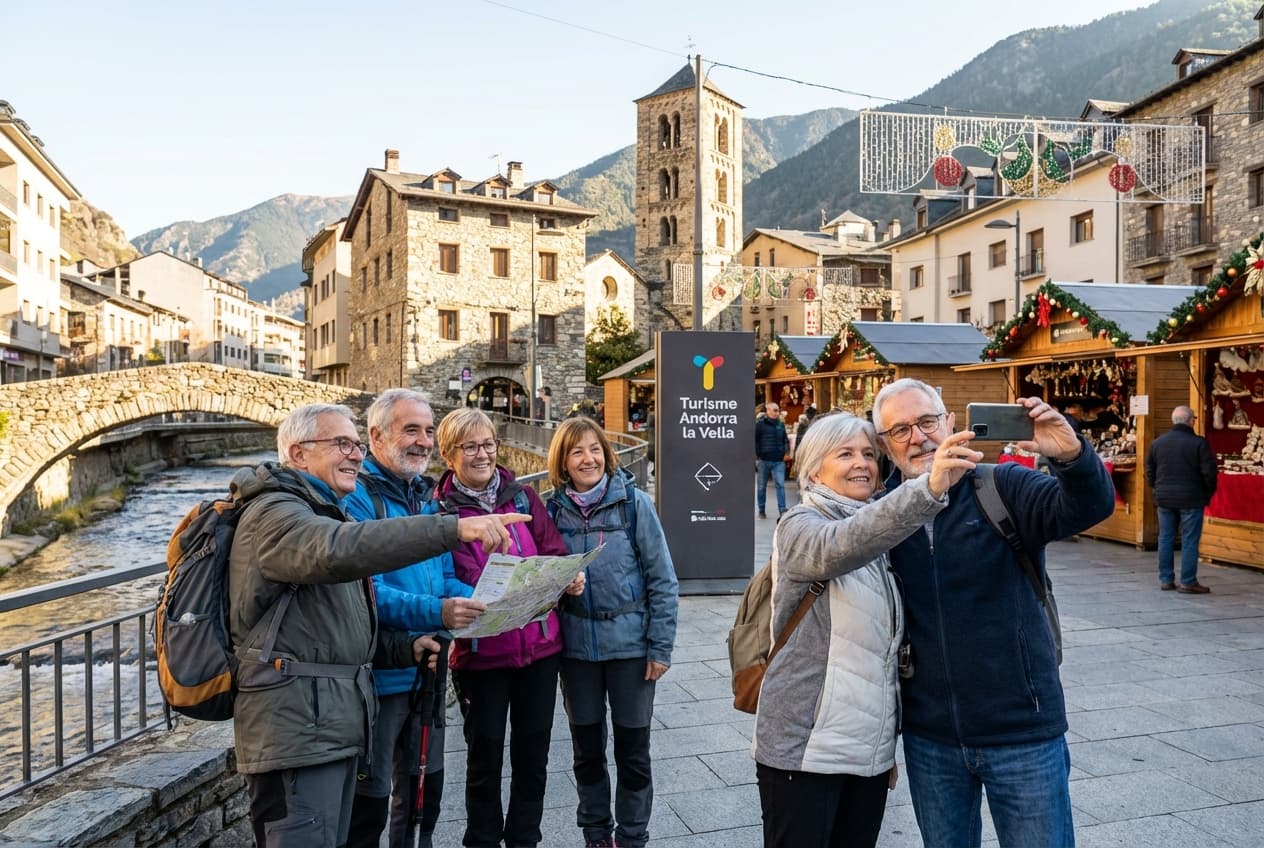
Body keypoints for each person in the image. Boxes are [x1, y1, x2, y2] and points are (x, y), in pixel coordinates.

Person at [227, 402, 530, 848]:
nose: (354, 454)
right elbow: (339, 551)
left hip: (332, 712)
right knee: (348, 825)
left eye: (354, 444)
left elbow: (353, 609)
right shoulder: (278, 513)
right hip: (298, 724)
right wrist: (451, 532)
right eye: (342, 444)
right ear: (298, 454)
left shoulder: (331, 507)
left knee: (392, 814)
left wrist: (405, 647)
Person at [872, 379, 1115, 848]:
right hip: (931, 738)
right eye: (900, 430)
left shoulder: (1003, 485)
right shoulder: (882, 517)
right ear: (885, 444)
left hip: (1022, 731)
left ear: (949, 423)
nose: (918, 438)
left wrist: (1072, 457)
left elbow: (1089, 506)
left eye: (926, 421)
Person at [755, 412, 975, 848]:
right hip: (805, 748)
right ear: (814, 466)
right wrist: (927, 488)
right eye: (846, 454)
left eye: (869, 454)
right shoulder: (800, 525)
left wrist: (881, 746)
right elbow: (844, 543)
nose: (863, 464)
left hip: (865, 753)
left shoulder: (878, 526)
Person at [435, 407, 585, 848]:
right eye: (470, 447)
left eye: (488, 444)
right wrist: (480, 594)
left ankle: (525, 839)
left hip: (538, 649)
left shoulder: (523, 498)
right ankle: (481, 839)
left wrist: (564, 578)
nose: (482, 454)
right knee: (483, 756)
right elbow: (440, 577)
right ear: (448, 454)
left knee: (533, 754)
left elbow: (552, 550)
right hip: (482, 656)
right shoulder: (440, 513)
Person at [344, 390, 488, 848]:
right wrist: (438, 612)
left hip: (428, 670)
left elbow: (444, 577)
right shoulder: (360, 499)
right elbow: (363, 593)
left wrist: (497, 602)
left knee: (424, 796)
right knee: (371, 802)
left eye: (428, 430)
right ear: (376, 436)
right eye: (412, 430)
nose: (423, 441)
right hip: (378, 678)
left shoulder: (424, 498)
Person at [545, 418, 679, 848]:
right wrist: (560, 586)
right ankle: (597, 834)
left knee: (633, 751)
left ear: (607, 454)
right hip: (577, 652)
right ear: (563, 461)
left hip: (631, 650)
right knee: (586, 751)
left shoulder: (633, 504)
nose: (589, 459)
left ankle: (633, 836)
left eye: (595, 449)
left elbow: (662, 579)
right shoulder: (550, 512)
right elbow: (537, 581)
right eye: (577, 451)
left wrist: (660, 646)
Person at [1145, 405, 1217, 594]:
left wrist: (1157, 488)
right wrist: (1207, 493)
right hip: (1192, 498)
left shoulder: (1158, 443)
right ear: (1190, 420)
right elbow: (1209, 473)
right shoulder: (1199, 444)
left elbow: (1150, 471)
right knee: (1189, 540)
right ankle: (1188, 581)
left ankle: (1166, 579)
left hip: (1164, 498)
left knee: (1166, 538)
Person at [755, 401, 789, 519]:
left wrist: (785, 452)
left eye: (778, 410)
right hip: (763, 460)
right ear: (768, 410)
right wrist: (758, 455)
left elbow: (785, 439)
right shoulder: (759, 425)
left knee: (780, 485)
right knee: (761, 487)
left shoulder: (780, 424)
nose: (777, 412)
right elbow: (755, 441)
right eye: (775, 410)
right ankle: (761, 510)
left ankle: (782, 510)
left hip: (778, 461)